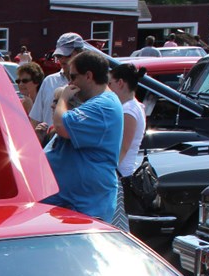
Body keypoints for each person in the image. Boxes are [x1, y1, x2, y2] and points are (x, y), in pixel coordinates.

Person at [45, 51, 123, 224]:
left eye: (73, 77)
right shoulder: (95, 103)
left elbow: (61, 126)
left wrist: (63, 99)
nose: (70, 84)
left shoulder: (103, 105)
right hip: (71, 202)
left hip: (87, 206)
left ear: (88, 76)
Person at [109, 63, 146, 230]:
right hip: (121, 175)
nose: (108, 88)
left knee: (116, 230)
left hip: (120, 177)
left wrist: (106, 173)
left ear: (120, 83)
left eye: (110, 83)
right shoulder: (133, 106)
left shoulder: (128, 110)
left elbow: (122, 149)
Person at [32, 32, 87, 139]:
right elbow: (36, 119)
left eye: (67, 55)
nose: (62, 60)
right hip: (50, 146)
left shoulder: (88, 83)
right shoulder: (49, 81)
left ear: (81, 54)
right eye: (59, 56)